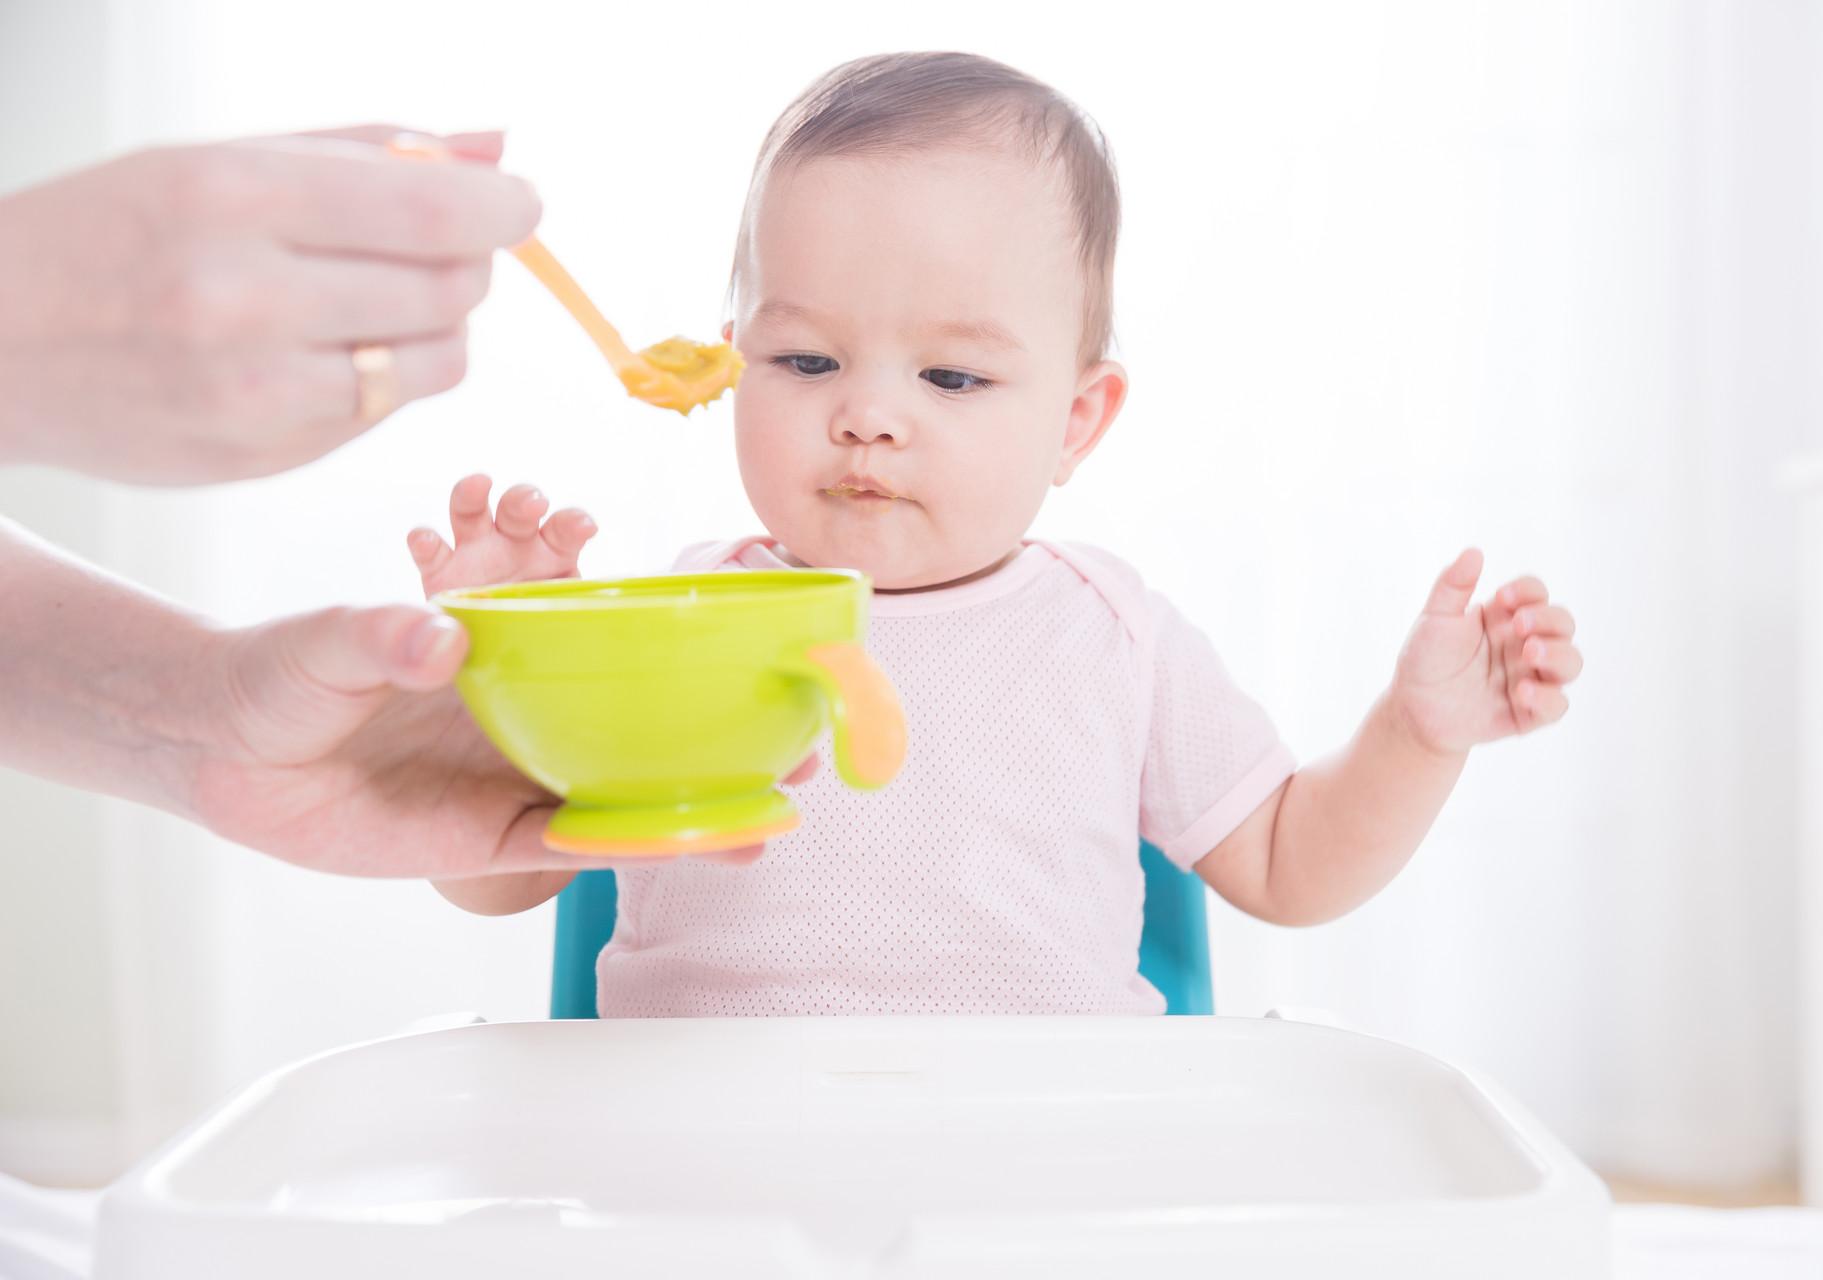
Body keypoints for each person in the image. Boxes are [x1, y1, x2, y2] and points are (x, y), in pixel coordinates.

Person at [405, 53, 1585, 1014]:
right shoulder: (680, 617)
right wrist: (504, 658)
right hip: (713, 1166)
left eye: (953, 376)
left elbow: (1289, 861)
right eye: (806, 360)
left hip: (1039, 1162)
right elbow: (491, 881)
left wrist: (1419, 734)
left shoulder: (1112, 633)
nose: (867, 413)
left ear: (1078, 419)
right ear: (733, 359)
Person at [0, 125, 713, 878]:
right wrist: (530, 698)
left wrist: (201, 720)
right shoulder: (701, 605)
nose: (856, 416)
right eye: (806, 360)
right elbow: (518, 848)